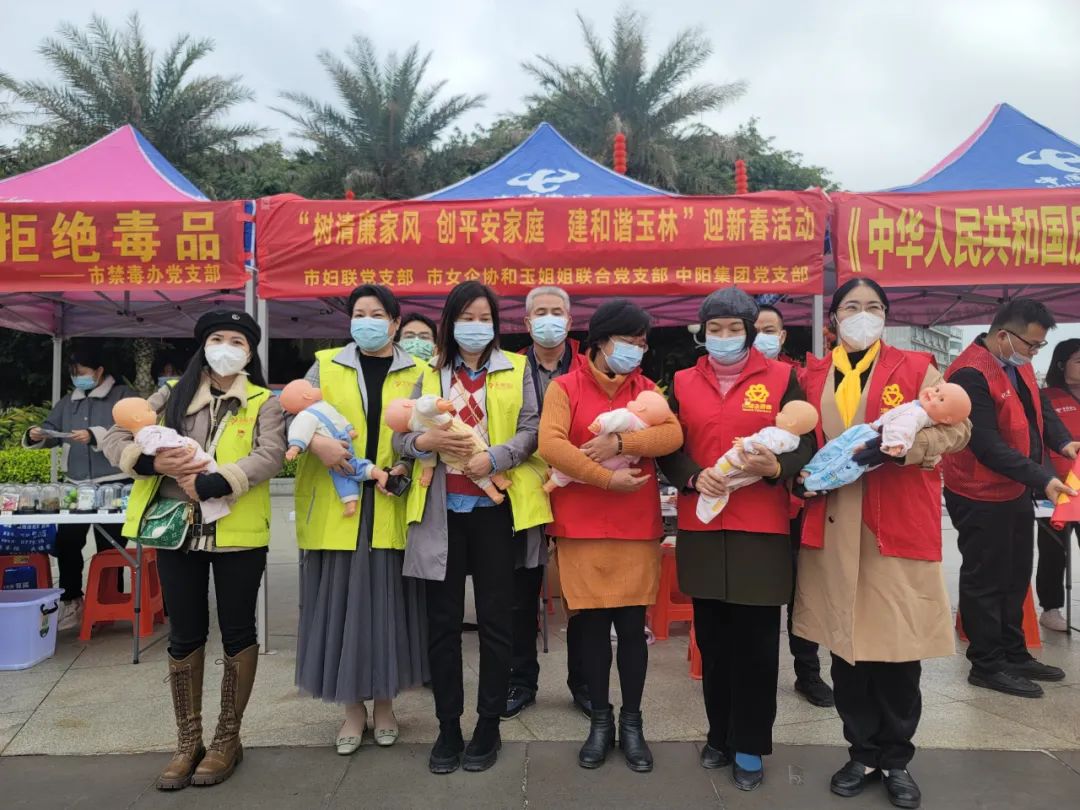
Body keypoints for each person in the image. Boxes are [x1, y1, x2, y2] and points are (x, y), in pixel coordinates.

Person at [792, 278, 970, 809]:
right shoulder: (811, 374)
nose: (862, 315)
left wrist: (907, 450)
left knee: (896, 650)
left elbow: (957, 430)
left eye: (873, 307)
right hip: (832, 524)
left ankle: (896, 759)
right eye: (852, 307)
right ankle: (860, 751)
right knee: (846, 648)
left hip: (891, 524)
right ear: (835, 319)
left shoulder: (915, 368)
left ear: (886, 316)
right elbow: (800, 440)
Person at [102, 310, 286, 790]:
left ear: (250, 351)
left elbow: (270, 455)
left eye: (237, 341)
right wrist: (147, 459)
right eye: (217, 338)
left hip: (238, 532)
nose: (226, 347)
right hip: (175, 532)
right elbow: (116, 434)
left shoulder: (265, 401)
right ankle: (188, 741)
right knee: (184, 633)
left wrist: (215, 480)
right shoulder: (170, 394)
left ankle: (228, 739)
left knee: (238, 630)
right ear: (203, 345)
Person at [392, 280, 552, 775]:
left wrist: (493, 458)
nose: (476, 327)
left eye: (485, 318)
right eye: (467, 317)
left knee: (497, 623)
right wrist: (425, 441)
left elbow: (532, 431)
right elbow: (400, 441)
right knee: (441, 625)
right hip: (441, 514)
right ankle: (447, 726)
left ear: (496, 323)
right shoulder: (428, 373)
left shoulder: (518, 368)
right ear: (449, 322)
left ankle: (488, 725)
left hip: (495, 512)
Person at [658, 289, 814, 791]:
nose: (724, 338)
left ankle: (749, 743)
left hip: (761, 530)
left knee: (757, 644)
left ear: (752, 331)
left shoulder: (783, 377)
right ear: (702, 332)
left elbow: (806, 441)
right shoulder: (682, 380)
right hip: (703, 526)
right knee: (714, 640)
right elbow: (668, 445)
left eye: (735, 328)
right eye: (715, 329)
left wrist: (777, 466)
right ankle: (718, 735)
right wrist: (690, 475)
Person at [539, 298, 683, 773]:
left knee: (632, 630)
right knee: (592, 630)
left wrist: (621, 443)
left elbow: (672, 435)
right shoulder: (564, 387)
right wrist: (606, 476)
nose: (637, 351)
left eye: (643, 343)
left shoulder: (645, 388)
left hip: (634, 528)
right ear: (601, 340)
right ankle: (600, 722)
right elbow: (550, 444)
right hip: (580, 527)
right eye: (630, 341)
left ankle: (633, 724)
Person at [292, 285, 430, 755]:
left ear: (395, 323)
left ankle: (387, 705)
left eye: (377, 314)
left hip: (390, 502)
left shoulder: (420, 371)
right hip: (338, 503)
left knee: (389, 606)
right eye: (358, 313)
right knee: (341, 607)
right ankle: (352, 710)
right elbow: (291, 411)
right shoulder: (326, 363)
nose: (366, 320)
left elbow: (428, 432)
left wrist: (405, 470)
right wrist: (316, 444)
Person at [944, 299, 1079, 698]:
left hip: (1014, 489)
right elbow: (986, 445)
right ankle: (986, 663)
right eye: (1032, 345)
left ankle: (1013, 652)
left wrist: (1064, 443)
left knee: (1016, 575)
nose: (1034, 353)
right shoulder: (969, 373)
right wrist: (1045, 478)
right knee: (986, 579)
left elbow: (1042, 412)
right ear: (1004, 335)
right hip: (978, 492)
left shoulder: (1014, 365)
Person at [504, 285, 591, 722]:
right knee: (520, 594)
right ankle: (521, 680)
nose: (549, 319)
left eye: (558, 312)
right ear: (526, 322)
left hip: (580, 490)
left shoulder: (591, 365)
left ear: (571, 320)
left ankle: (584, 683)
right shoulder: (511, 368)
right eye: (541, 312)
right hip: (526, 493)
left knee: (581, 595)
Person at [753, 304, 834, 708]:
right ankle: (753, 670)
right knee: (761, 594)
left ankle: (808, 672)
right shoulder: (735, 378)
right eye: (755, 329)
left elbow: (813, 437)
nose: (761, 336)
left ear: (783, 336)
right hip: (753, 502)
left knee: (803, 589)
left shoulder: (799, 377)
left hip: (797, 502)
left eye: (770, 329)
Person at [25, 341, 134, 631]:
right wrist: (38, 434)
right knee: (67, 544)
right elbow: (52, 429)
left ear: (100, 371)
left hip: (114, 485)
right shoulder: (68, 401)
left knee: (111, 548)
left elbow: (135, 432)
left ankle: (107, 602)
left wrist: (95, 435)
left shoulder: (123, 397)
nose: (78, 377)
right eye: (74, 372)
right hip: (75, 487)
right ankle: (72, 601)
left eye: (82, 371)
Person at [1037, 338, 1080, 632]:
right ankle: (1051, 608)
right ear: (1063, 364)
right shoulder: (1044, 397)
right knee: (1054, 551)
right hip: (1057, 488)